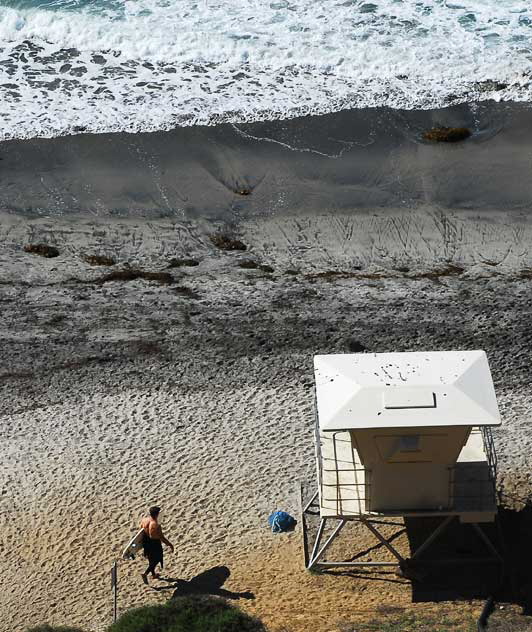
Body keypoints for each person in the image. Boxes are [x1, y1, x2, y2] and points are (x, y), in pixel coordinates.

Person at [140, 505, 174, 584]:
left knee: (150, 559)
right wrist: (170, 544)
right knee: (157, 559)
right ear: (156, 514)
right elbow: (162, 537)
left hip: (146, 542)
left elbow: (141, 531)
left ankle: (153, 574)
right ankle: (145, 574)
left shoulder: (144, 520)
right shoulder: (156, 525)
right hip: (154, 544)